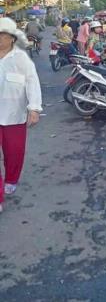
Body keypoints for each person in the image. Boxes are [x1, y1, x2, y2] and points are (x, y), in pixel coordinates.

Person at [0, 17, 42, 213]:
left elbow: (32, 82)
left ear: (12, 38)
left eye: (3, 35)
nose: (0, 39)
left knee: (14, 153)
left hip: (14, 116)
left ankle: (11, 179)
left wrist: (34, 108)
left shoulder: (21, 59)